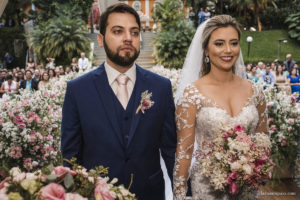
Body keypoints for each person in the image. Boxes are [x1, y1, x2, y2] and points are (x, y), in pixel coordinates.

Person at [61, 4, 176, 200]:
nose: (128, 38)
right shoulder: (77, 90)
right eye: (117, 31)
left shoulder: (161, 87)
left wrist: (184, 193)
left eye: (134, 32)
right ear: (100, 39)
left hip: (150, 193)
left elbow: (171, 150)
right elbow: (70, 157)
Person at [173, 15, 268, 199]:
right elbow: (184, 153)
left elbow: (263, 142)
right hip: (207, 189)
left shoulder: (255, 91)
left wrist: (254, 167)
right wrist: (179, 195)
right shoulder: (192, 95)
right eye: (219, 43)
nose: (228, 50)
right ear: (206, 50)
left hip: (246, 188)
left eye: (233, 43)